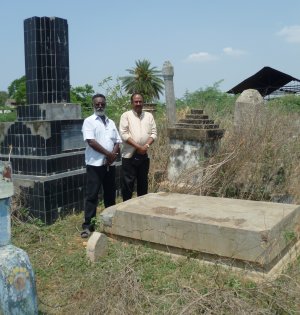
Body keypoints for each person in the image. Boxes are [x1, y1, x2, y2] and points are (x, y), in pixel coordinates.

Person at [81, 93, 122, 238]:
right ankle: (87, 226)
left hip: (109, 165)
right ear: (93, 105)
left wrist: (113, 156)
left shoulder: (111, 122)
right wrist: (108, 154)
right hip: (95, 165)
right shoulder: (89, 121)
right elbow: (91, 142)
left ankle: (109, 223)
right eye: (97, 104)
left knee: (110, 195)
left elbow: (118, 140)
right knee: (92, 195)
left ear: (105, 104)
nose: (100, 106)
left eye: (102, 103)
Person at [119, 93, 157, 201]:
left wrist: (145, 146)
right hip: (129, 156)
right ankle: (126, 208)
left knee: (143, 182)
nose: (138, 103)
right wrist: (138, 147)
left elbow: (154, 133)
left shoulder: (149, 116)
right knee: (128, 184)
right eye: (136, 101)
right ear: (132, 103)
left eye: (140, 101)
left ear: (143, 102)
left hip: (144, 155)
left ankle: (141, 207)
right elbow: (124, 134)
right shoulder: (125, 115)